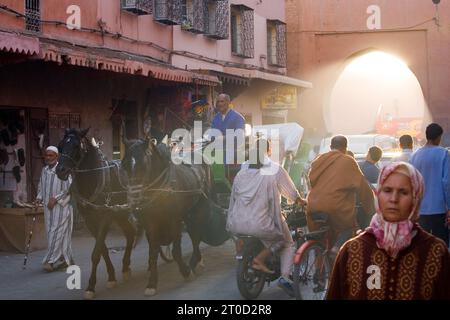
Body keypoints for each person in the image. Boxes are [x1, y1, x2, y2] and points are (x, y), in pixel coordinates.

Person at [327, 162, 450, 300]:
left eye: (403, 192)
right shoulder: (352, 250)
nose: (393, 199)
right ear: (378, 194)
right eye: (387, 190)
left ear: (416, 198)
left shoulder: (435, 251)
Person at [227, 138, 306, 297]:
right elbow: (291, 193)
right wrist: (302, 201)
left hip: (237, 221)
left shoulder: (242, 170)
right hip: (261, 222)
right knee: (287, 241)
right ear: (268, 151)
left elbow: (234, 195)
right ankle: (280, 274)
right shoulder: (275, 169)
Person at [307, 135, 375, 259]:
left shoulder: (319, 160)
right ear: (345, 148)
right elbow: (363, 187)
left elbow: (311, 180)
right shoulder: (348, 161)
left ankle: (319, 268)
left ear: (330, 147)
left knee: (320, 238)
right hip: (335, 206)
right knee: (349, 227)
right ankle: (336, 249)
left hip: (313, 205)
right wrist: (371, 209)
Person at [410, 123, 450, 246]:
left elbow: (412, 183)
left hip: (420, 210)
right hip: (439, 208)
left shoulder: (415, 156)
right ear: (439, 137)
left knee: (422, 246)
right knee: (440, 246)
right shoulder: (444, 154)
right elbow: (447, 183)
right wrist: (449, 206)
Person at [35, 146, 74, 272]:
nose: (48, 158)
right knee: (56, 233)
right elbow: (41, 185)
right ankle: (66, 259)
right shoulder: (44, 170)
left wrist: (55, 198)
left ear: (57, 157)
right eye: (46, 155)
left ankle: (50, 261)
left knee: (55, 233)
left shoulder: (63, 169)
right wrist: (39, 197)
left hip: (61, 207)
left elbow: (69, 188)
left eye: (51, 155)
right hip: (48, 209)